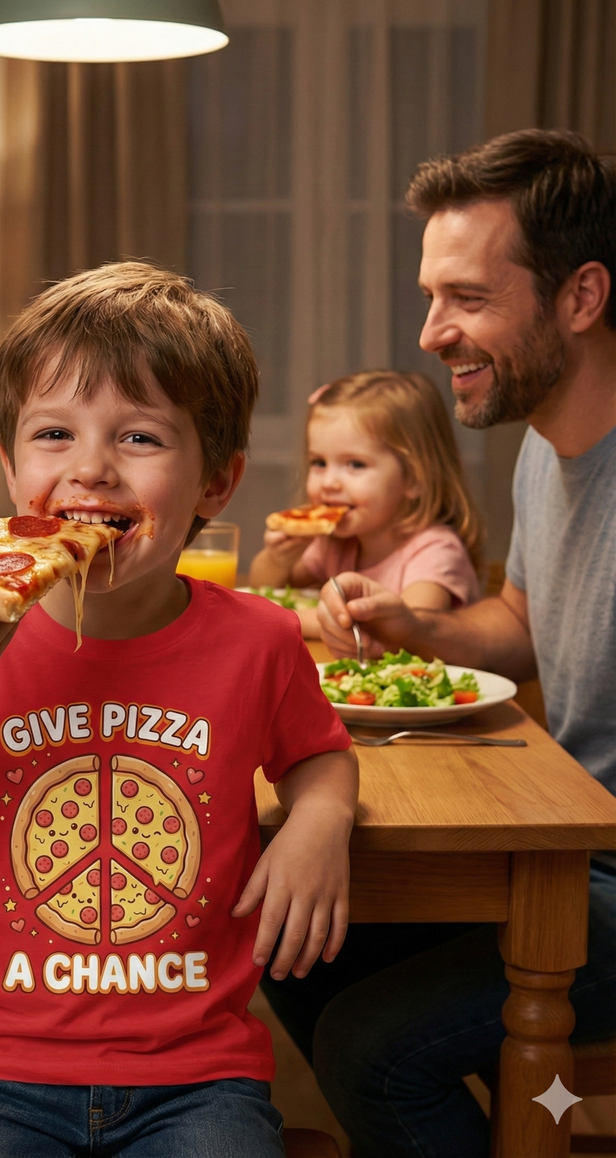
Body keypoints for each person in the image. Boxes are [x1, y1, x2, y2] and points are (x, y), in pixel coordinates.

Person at [0, 262, 360, 1157]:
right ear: (9, 468)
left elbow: (321, 752)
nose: (89, 470)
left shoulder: (261, 640)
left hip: (199, 1078)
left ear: (217, 485)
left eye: (142, 438)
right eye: (52, 433)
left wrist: (321, 817)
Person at [266, 130, 616, 1158]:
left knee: (372, 1049)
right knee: (297, 943)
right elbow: (520, 625)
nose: (429, 333)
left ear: (580, 298)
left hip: (595, 872)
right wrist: (414, 626)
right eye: (430, 297)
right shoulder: (546, 455)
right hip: (566, 851)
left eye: (464, 298)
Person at [247, 371, 482, 637]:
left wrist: (282, 619)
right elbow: (263, 587)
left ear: (414, 478)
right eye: (319, 462)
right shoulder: (336, 544)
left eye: (355, 464)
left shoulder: (435, 551)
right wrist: (278, 559)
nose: (329, 483)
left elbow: (402, 632)